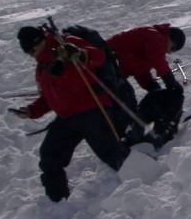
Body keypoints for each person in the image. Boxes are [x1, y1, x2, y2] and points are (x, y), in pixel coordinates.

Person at [13, 26, 129, 203]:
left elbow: (98, 56)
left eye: (32, 49)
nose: (32, 54)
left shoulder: (65, 44)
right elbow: (48, 98)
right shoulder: (42, 67)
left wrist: (79, 54)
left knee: (111, 154)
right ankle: (57, 202)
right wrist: (31, 111)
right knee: (49, 157)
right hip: (66, 118)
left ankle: (141, 181)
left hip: (91, 109)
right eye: (28, 52)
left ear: (41, 40)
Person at [106, 24, 187, 149]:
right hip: (107, 64)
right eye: (174, 47)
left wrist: (151, 85)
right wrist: (170, 81)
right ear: (171, 38)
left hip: (113, 71)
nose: (170, 52)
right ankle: (128, 138)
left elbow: (139, 70)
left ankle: (130, 135)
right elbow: (157, 59)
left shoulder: (152, 42)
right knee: (127, 99)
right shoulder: (155, 36)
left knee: (125, 100)